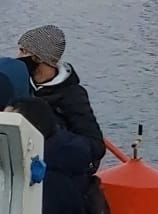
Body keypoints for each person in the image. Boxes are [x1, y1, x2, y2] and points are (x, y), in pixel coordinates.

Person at [17, 25, 107, 165]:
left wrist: (51, 133)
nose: (18, 57)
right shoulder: (21, 82)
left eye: (23, 51)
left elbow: (96, 147)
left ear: (38, 58)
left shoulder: (73, 95)